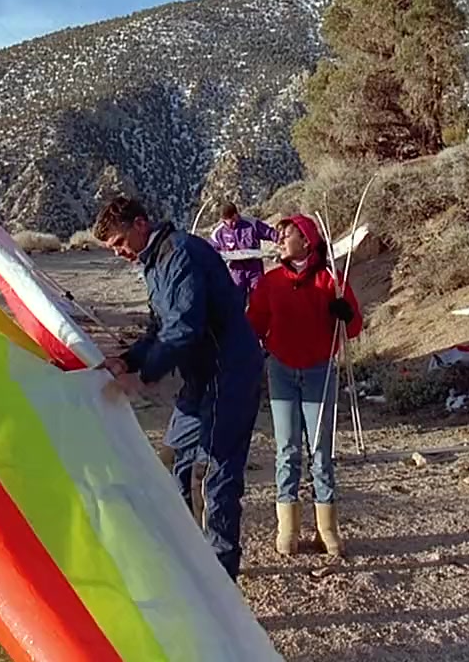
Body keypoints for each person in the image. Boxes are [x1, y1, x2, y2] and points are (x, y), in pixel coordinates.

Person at [92, 197, 263, 580]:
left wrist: (144, 376)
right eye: (112, 248)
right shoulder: (154, 264)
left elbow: (185, 327)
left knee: (215, 473)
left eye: (120, 242)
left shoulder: (181, 254)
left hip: (228, 373)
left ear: (140, 224)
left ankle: (220, 574)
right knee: (174, 460)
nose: (119, 252)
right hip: (199, 378)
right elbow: (160, 329)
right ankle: (187, 554)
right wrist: (127, 360)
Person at [246, 214, 362, 558]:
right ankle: (288, 528)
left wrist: (345, 314)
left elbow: (353, 327)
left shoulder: (331, 281)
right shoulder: (270, 282)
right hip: (281, 370)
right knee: (287, 450)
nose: (280, 240)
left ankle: (327, 528)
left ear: (307, 240)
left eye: (287, 235)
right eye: (279, 235)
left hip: (319, 372)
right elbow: (253, 325)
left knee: (321, 451)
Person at [208, 202, 278, 304]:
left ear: (236, 214)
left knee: (260, 297)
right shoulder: (218, 233)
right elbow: (209, 250)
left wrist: (282, 243)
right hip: (236, 271)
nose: (232, 224)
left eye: (233, 220)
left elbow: (271, 233)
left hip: (254, 269)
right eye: (228, 222)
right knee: (237, 301)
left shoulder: (252, 224)